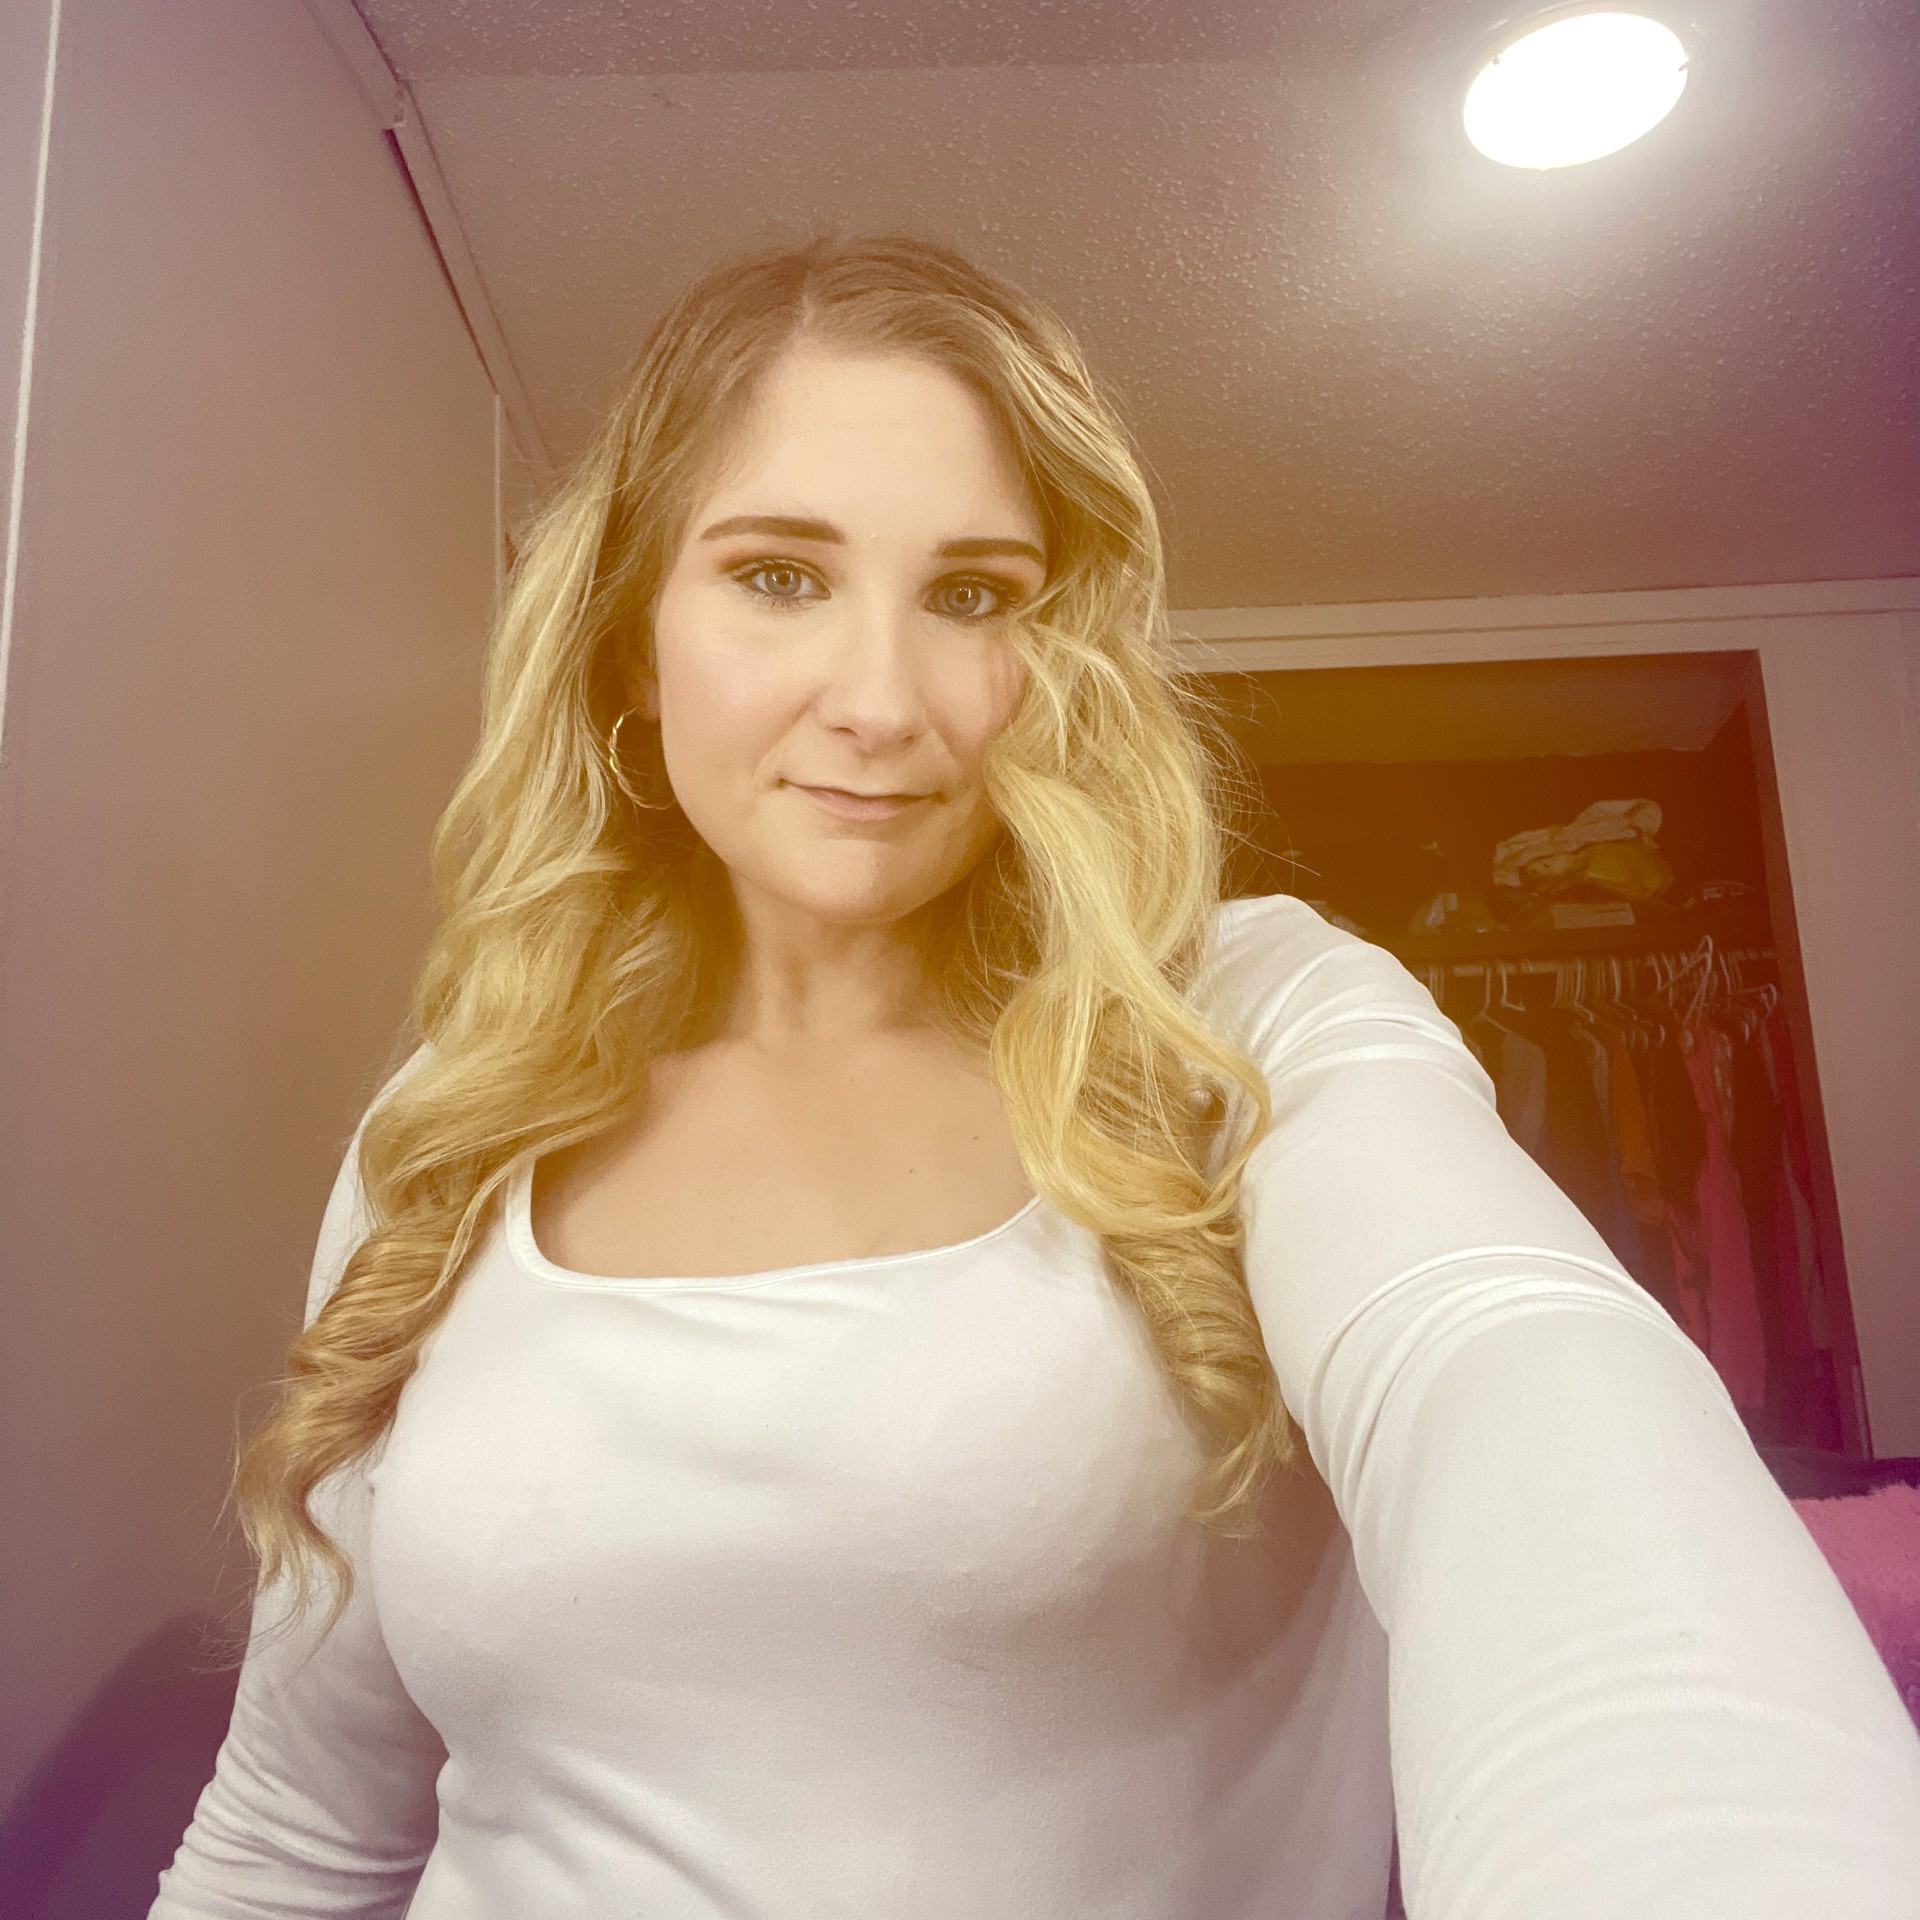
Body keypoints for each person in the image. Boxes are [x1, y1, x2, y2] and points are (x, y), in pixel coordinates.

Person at [151, 234, 1920, 1920]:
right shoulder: (456, 1119)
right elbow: (299, 1820)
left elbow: (1507, 1363)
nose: (882, 699)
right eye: (779, 577)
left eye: (973, 597)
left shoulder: (1241, 1021)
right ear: (633, 633)